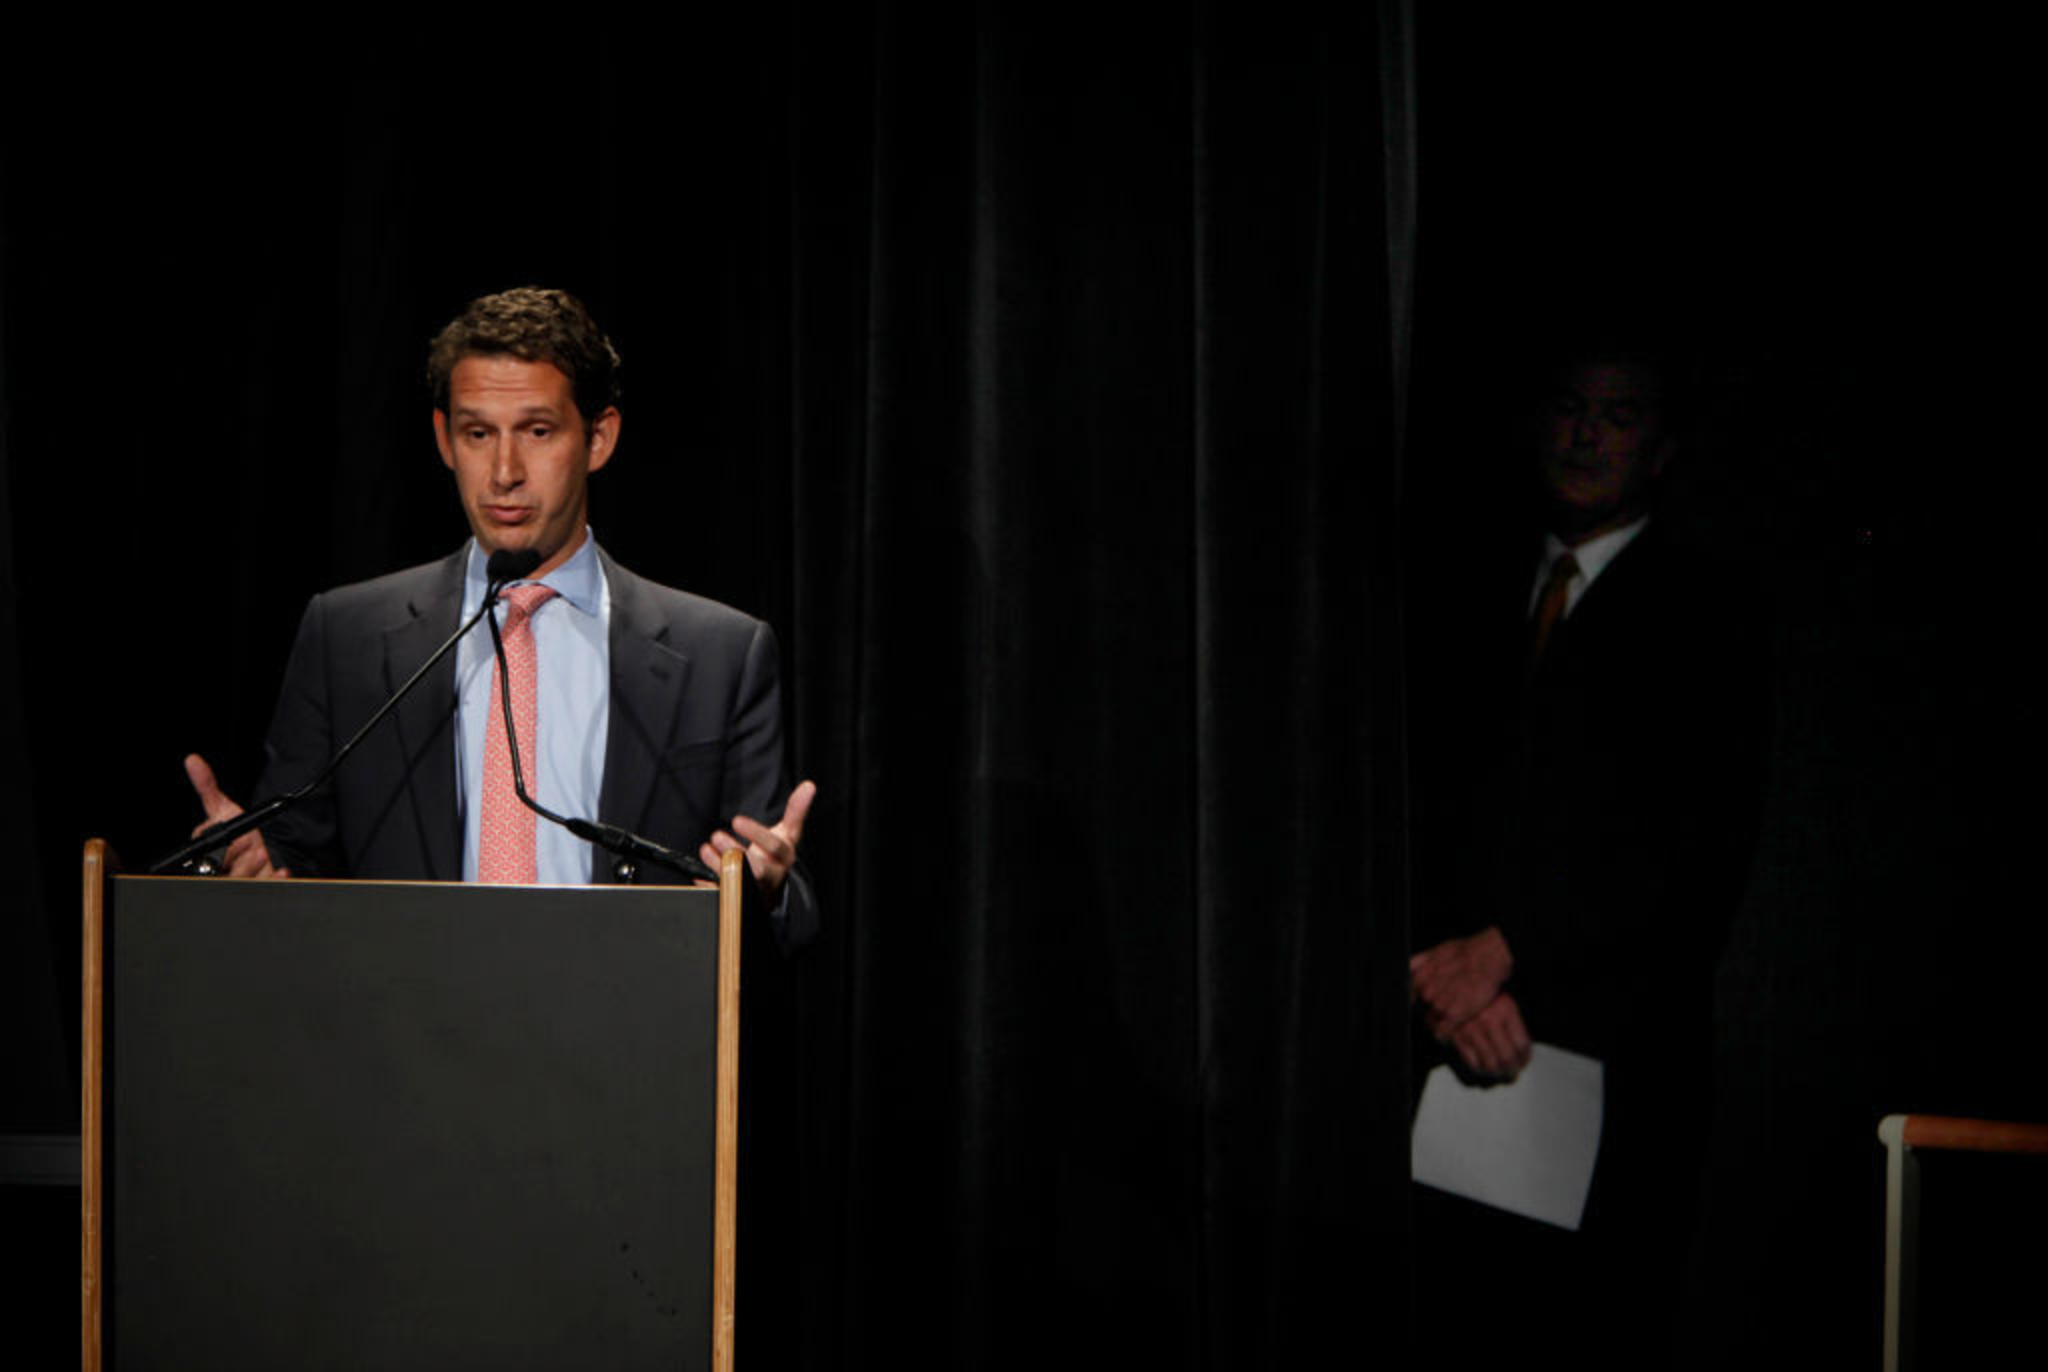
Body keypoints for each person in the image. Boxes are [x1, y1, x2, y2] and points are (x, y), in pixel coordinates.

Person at [184, 287, 816, 945]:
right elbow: (293, 853)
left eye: (537, 432)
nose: (504, 472)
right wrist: (254, 866)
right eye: (478, 433)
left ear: (598, 438)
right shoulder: (346, 637)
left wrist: (766, 891)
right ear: (444, 439)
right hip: (405, 1032)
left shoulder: (720, 655)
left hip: (621, 1030)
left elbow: (787, 907)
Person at [1407, 339, 1770, 1367]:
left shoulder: (1710, 613)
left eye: (1614, 415)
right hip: (1436, 1045)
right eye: (1567, 406)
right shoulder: (1456, 590)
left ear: (1658, 448)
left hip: (1609, 1076)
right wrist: (1449, 971)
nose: (1582, 433)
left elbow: (1693, 847)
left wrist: (1508, 945)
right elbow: (1406, 800)